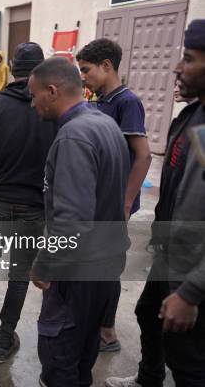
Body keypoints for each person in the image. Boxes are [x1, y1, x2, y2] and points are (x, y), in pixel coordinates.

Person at [105, 19, 205, 387]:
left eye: (190, 59)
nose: (178, 67)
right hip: (171, 252)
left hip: (195, 269)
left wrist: (191, 291)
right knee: (149, 314)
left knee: (189, 358)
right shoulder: (191, 116)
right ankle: (148, 379)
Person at [28, 57, 130, 387]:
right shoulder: (104, 123)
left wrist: (45, 265)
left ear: (52, 90)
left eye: (34, 95)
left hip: (77, 272)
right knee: (83, 356)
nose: (33, 103)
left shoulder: (74, 137)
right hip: (104, 266)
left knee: (59, 359)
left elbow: (72, 220)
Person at [0, 42, 57, 363]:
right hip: (35, 207)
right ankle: (4, 341)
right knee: (19, 274)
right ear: (39, 71)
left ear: (12, 68)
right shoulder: (52, 108)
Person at [77, 37, 152, 352]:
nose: (83, 76)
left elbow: (143, 155)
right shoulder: (98, 99)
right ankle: (93, 319)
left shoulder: (126, 101)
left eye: (86, 70)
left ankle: (107, 333)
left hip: (114, 203)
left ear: (106, 66)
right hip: (97, 198)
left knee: (108, 267)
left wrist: (124, 202)